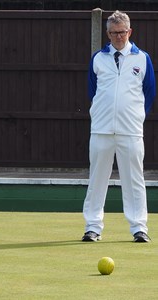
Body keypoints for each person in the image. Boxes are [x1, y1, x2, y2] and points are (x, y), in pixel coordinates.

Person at [82, 10, 156, 243]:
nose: (118, 37)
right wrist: (101, 115)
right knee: (97, 179)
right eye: (113, 33)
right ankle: (93, 227)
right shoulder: (98, 58)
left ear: (130, 32)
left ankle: (138, 228)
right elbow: (93, 91)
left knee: (134, 180)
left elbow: (149, 92)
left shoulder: (142, 58)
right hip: (101, 130)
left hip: (131, 130)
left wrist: (134, 118)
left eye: (122, 32)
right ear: (107, 33)